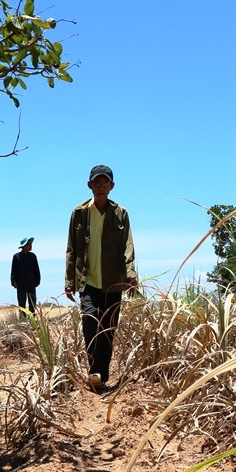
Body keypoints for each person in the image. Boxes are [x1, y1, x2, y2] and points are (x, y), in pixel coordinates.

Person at [65, 164, 138, 392]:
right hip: (87, 281)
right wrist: (69, 281)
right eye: (97, 182)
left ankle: (101, 376)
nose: (100, 186)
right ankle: (94, 370)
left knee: (108, 328)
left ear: (112, 186)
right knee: (89, 321)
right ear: (89, 185)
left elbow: (128, 245)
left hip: (113, 280)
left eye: (105, 182)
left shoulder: (121, 214)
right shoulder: (78, 213)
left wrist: (131, 273)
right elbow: (71, 249)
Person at [10, 236, 41, 317]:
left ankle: (33, 320)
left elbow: (36, 269)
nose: (31, 246)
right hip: (21, 285)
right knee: (22, 304)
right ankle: (22, 321)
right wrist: (13, 282)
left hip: (31, 283)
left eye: (31, 244)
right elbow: (13, 271)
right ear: (24, 246)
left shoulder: (33, 256)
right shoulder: (16, 257)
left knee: (32, 303)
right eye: (29, 245)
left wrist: (38, 281)